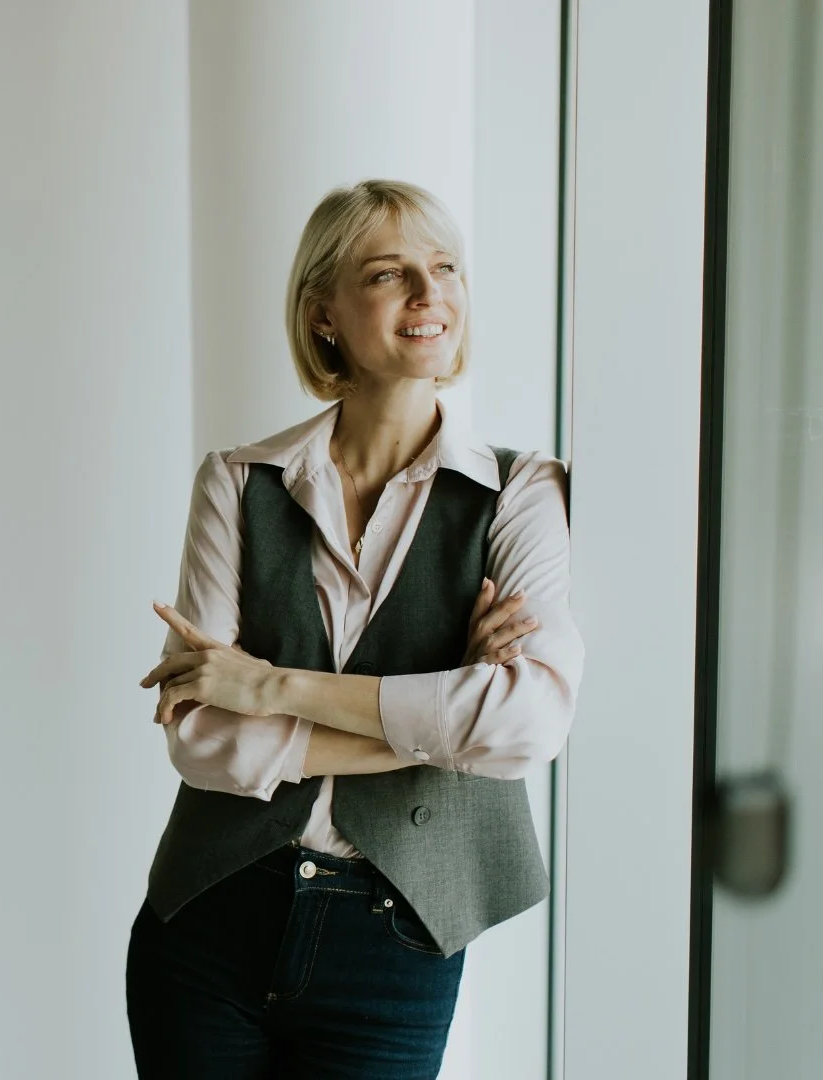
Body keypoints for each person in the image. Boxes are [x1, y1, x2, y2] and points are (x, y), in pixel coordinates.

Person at [125, 179, 584, 1080]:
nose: (429, 293)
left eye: (443, 267)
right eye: (389, 272)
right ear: (323, 313)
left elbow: (527, 724)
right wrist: (442, 711)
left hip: (396, 941)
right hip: (208, 921)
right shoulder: (238, 479)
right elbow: (205, 741)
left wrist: (269, 685)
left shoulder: (522, 491)